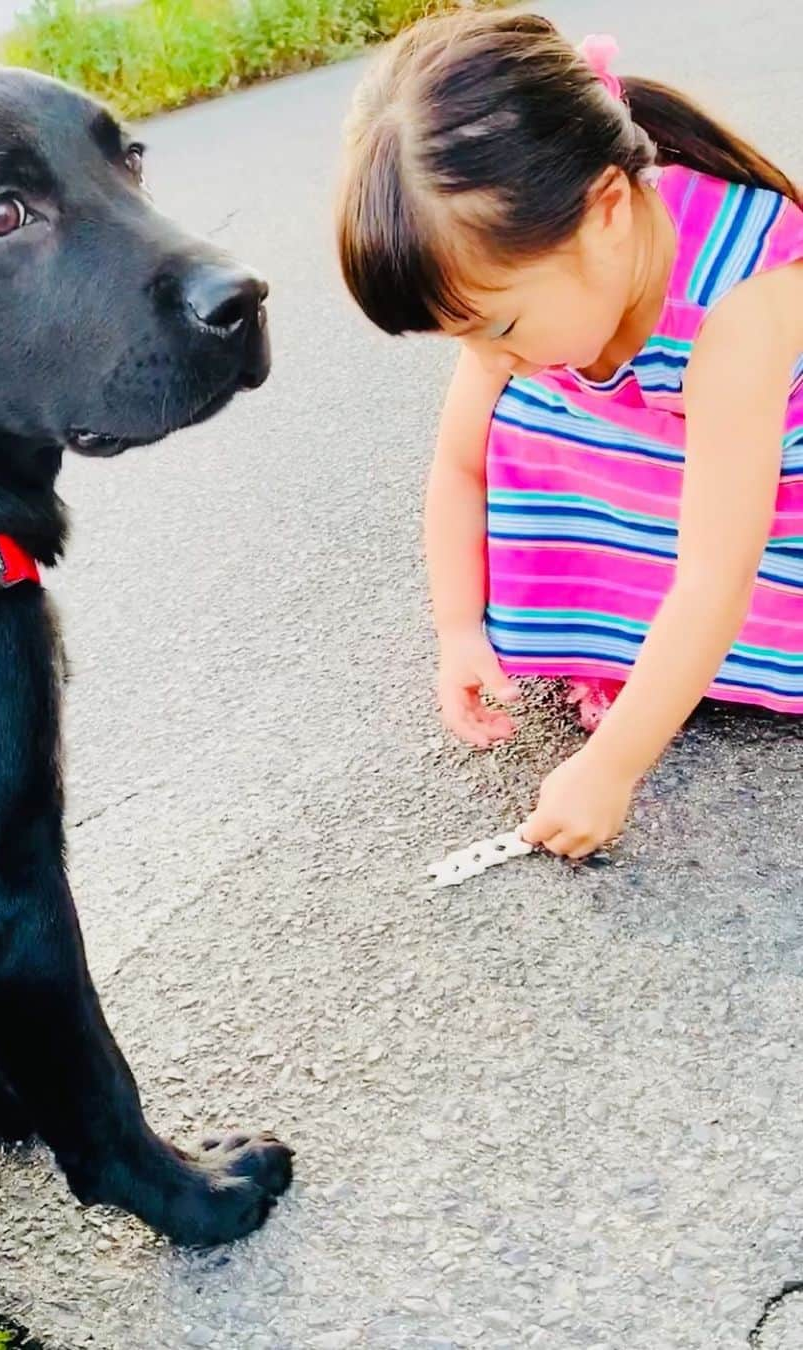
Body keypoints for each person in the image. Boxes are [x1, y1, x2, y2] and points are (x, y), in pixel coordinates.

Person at [335, 12, 803, 859]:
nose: (485, 357)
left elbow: (714, 573)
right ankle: (632, 642)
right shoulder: (536, 286)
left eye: (499, 326)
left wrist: (612, 765)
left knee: (719, 577)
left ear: (608, 212)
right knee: (521, 419)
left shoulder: (741, 301)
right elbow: (461, 463)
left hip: (771, 494)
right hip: (672, 461)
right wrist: (459, 630)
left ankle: (660, 662)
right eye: (465, 338)